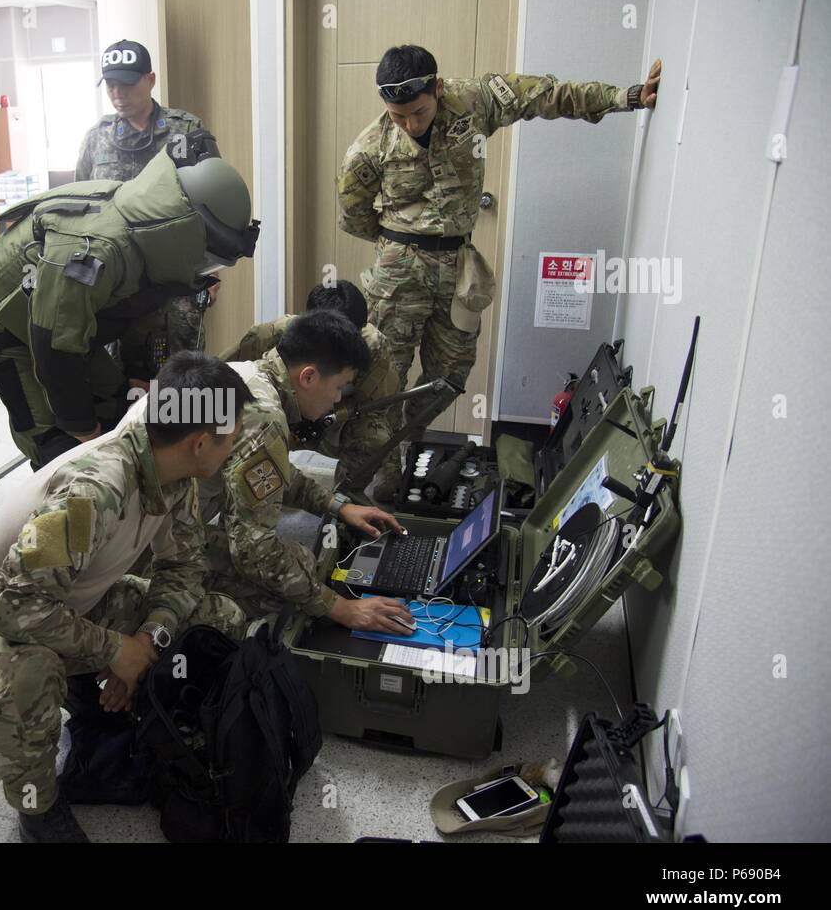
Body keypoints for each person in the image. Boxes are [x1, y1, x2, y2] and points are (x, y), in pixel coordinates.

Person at [0, 352, 251, 842]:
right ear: (200, 441)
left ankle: (94, 693)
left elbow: (184, 568)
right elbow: (12, 608)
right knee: (29, 674)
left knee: (217, 616)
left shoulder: (175, 471)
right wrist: (115, 651)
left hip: (75, 606)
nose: (234, 450)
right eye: (232, 440)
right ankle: (38, 808)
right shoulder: (93, 494)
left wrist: (148, 642)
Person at [338, 44, 662, 500]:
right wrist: (403, 241)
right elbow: (353, 217)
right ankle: (357, 493)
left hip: (460, 271)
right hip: (398, 273)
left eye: (419, 111)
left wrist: (624, 97)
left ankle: (395, 446)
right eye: (398, 116)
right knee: (379, 384)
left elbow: (543, 95)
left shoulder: (475, 102)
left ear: (439, 88)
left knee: (449, 378)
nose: (411, 124)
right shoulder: (367, 149)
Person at [0, 137, 258, 469]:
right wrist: (83, 428)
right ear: (186, 231)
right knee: (63, 454)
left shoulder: (153, 237)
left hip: (70, 328)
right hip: (8, 324)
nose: (204, 270)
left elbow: (138, 318)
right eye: (207, 258)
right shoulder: (97, 250)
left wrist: (135, 381)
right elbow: (53, 344)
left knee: (120, 408)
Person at [201, 310, 416, 637]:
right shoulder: (265, 418)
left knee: (297, 569)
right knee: (293, 580)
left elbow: (273, 474)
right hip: (150, 548)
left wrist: (337, 506)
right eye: (339, 387)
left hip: (153, 526)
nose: (337, 400)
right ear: (308, 377)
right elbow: (253, 551)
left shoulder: (243, 373)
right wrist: (340, 608)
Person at [75, 39, 213, 356]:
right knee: (120, 377)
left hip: (175, 280)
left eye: (126, 84)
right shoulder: (97, 138)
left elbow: (208, 202)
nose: (118, 94)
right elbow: (81, 207)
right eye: (110, 86)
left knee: (184, 375)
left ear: (150, 80)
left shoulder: (185, 129)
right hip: (116, 281)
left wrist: (210, 272)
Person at [222, 280, 401, 496]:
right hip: (279, 417)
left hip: (332, 421)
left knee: (374, 436)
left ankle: (347, 495)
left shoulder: (374, 349)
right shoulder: (272, 334)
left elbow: (383, 410)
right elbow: (218, 373)